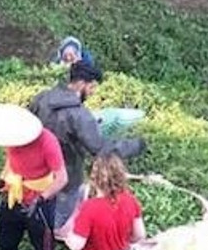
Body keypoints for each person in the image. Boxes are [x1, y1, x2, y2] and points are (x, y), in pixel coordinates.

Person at [29, 60, 147, 232]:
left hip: (36, 170)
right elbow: (100, 149)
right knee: (58, 216)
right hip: (66, 176)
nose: (92, 93)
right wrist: (136, 145)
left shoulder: (42, 97)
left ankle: (34, 222)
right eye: (92, 88)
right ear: (82, 84)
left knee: (37, 202)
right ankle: (53, 237)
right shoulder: (79, 115)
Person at [0, 103, 68, 250]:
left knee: (42, 239)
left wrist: (40, 199)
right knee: (6, 234)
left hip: (40, 195)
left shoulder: (47, 142)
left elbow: (62, 178)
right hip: (15, 192)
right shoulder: (11, 139)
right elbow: (11, 161)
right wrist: (0, 183)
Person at [60, 151, 146, 250]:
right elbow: (139, 235)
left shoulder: (89, 208)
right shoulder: (130, 200)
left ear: (94, 179)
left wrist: (67, 235)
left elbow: (76, 246)